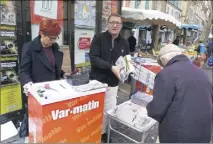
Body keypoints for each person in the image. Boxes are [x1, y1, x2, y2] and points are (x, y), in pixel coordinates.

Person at [146, 44, 213, 143]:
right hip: (204, 135)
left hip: (178, 136)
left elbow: (157, 110)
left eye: (162, 65)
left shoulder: (166, 74)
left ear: (164, 59)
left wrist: (147, 107)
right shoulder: (202, 73)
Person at [19, 18, 69, 138]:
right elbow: (24, 71)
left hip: (53, 92)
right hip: (38, 94)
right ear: (41, 33)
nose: (53, 41)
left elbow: (53, 67)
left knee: (51, 125)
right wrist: (27, 84)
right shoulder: (29, 47)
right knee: (37, 127)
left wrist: (63, 74)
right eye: (50, 38)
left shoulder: (54, 47)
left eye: (55, 38)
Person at [89, 14, 130, 142]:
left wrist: (127, 71)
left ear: (121, 26)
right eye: (112, 22)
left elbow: (127, 61)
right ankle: (92, 134)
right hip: (97, 82)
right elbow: (94, 58)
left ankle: (104, 134)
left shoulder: (124, 42)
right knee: (95, 111)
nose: (115, 25)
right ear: (107, 24)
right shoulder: (98, 38)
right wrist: (111, 67)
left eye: (118, 23)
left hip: (113, 84)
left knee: (109, 111)